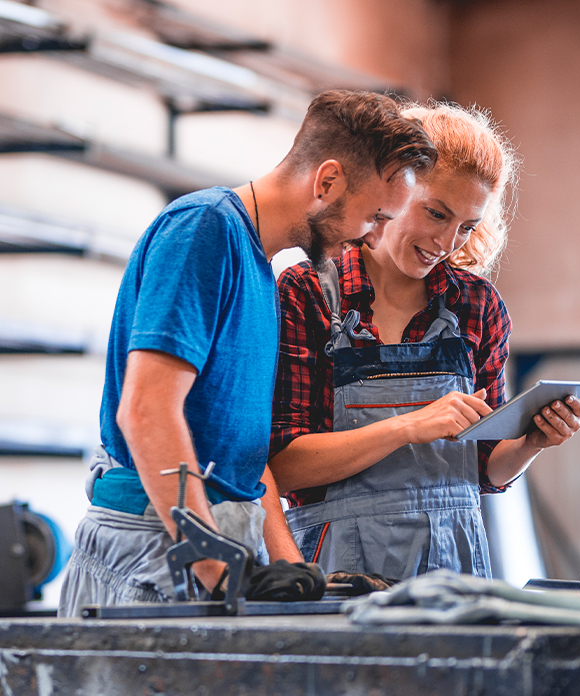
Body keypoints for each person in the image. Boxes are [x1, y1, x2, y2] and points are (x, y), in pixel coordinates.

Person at [57, 90, 437, 616]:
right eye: (374, 215)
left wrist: (295, 574)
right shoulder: (203, 229)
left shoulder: (263, 272)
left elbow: (243, 457)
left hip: (216, 549)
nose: (373, 238)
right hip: (154, 549)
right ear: (326, 182)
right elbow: (147, 410)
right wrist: (216, 569)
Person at [268, 101, 580, 581]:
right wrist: (407, 427)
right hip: (337, 571)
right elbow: (281, 465)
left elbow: (483, 470)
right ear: (394, 189)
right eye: (436, 213)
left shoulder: (476, 307)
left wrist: (530, 443)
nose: (448, 241)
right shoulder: (305, 293)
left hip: (454, 567)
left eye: (467, 227)